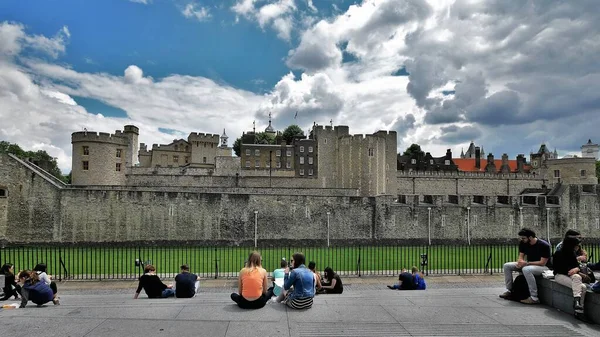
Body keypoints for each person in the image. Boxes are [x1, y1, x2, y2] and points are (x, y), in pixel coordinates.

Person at [499, 228, 551, 304]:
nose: (522, 239)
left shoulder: (544, 245)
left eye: (524, 238)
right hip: (529, 264)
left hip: (543, 267)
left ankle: (534, 297)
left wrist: (527, 263)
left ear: (530, 237)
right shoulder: (523, 243)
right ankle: (510, 290)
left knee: (526, 269)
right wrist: (520, 262)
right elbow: (521, 256)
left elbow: (542, 262)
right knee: (507, 266)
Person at [552, 236, 588, 316]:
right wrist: (570, 271)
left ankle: (577, 302)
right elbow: (557, 269)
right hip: (560, 275)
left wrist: (576, 269)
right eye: (576, 245)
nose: (577, 247)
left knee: (578, 278)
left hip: (573, 275)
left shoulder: (572, 253)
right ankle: (579, 312)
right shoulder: (558, 253)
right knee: (582, 287)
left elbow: (576, 266)